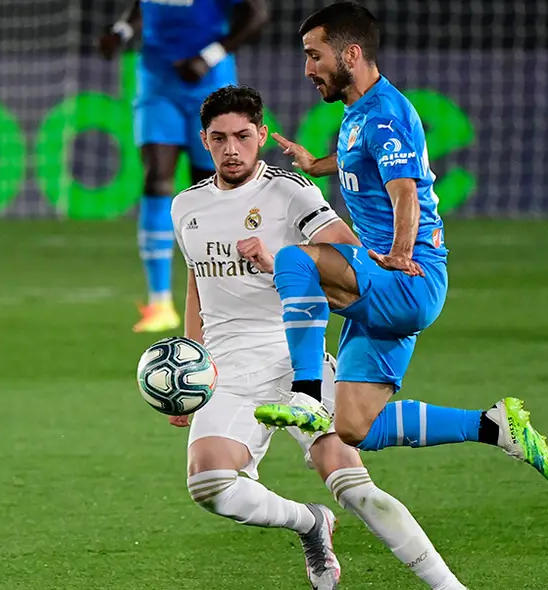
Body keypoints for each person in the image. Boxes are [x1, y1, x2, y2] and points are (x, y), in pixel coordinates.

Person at [171, 85, 468, 590]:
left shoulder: (292, 192)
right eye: (219, 138)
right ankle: (311, 523)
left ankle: (448, 586)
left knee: (356, 488)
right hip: (228, 369)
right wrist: (190, 364)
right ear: (204, 141)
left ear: (262, 136)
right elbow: (198, 284)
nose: (232, 149)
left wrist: (277, 261)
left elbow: (347, 252)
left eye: (243, 136)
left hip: (296, 360)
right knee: (209, 484)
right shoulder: (186, 206)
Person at [251, 2, 548, 486]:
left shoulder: (387, 115)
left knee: (294, 263)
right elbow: (365, 158)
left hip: (403, 278)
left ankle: (306, 394)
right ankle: (494, 426)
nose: (308, 69)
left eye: (315, 56)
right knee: (355, 427)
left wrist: (400, 253)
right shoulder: (362, 110)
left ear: (350, 54)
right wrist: (317, 165)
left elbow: (405, 192)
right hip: (393, 282)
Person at [97, 0, 268, 333]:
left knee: (212, 189)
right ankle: (159, 302)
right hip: (157, 81)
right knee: (156, 179)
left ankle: (224, 295)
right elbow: (142, 7)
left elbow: (257, 15)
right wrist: (122, 31)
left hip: (210, 85)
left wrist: (211, 55)